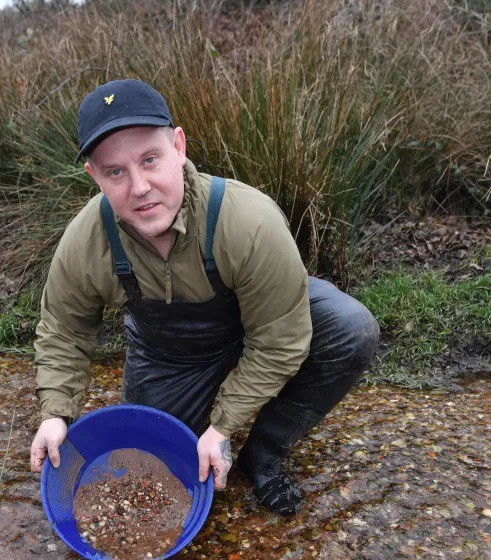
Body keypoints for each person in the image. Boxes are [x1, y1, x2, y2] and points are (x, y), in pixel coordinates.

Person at [30, 78, 379, 514]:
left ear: (179, 147)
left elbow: (280, 340)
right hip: (170, 357)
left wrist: (222, 426)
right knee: (152, 468)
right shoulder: (85, 240)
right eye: (115, 172)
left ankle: (265, 453)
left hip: (264, 325)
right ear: (94, 176)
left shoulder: (248, 220)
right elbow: (64, 330)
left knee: (352, 328)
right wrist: (56, 413)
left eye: (150, 159)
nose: (139, 187)